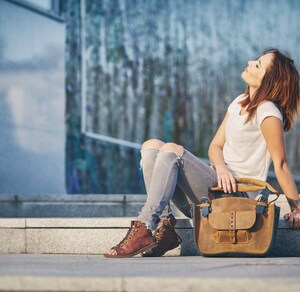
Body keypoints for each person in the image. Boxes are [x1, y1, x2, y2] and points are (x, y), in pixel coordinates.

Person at [104, 48, 300, 258]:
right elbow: (215, 146)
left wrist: (296, 208)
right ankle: (164, 228)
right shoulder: (239, 103)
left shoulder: (268, 111)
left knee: (172, 151)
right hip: (214, 190)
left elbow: (281, 165)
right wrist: (221, 167)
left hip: (238, 197)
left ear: (270, 81)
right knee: (151, 146)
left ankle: (145, 225)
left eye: (258, 65)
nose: (251, 62)